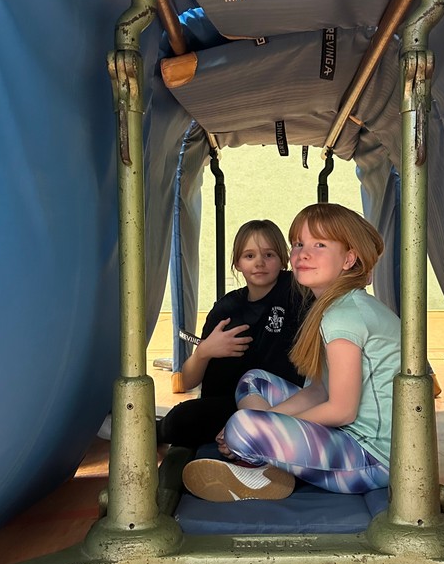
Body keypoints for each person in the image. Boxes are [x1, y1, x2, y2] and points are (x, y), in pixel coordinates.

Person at [182, 202, 403, 502]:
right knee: (253, 381)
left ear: (349, 259)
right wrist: (268, 422)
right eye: (298, 244)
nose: (303, 254)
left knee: (241, 426)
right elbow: (319, 391)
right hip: (350, 439)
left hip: (372, 459)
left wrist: (263, 430)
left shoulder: (344, 317)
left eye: (319, 245)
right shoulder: (334, 308)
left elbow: (342, 410)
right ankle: (266, 465)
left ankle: (258, 467)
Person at [157, 219, 307, 451]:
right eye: (249, 256)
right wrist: (204, 352)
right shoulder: (226, 309)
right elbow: (186, 381)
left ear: (283, 260)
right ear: (237, 263)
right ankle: (153, 432)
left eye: (269, 255)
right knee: (182, 419)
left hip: (279, 403)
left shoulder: (295, 291)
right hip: (229, 405)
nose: (259, 263)